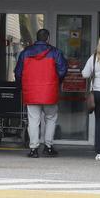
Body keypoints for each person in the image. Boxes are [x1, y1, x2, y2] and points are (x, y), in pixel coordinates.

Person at [14, 28, 68, 158]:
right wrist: (55, 82)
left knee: (33, 121)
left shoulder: (25, 53)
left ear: (36, 38)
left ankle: (33, 149)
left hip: (32, 92)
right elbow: (62, 71)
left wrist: (23, 86)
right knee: (50, 119)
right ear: (48, 38)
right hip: (49, 91)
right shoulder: (55, 53)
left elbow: (18, 73)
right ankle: (48, 147)